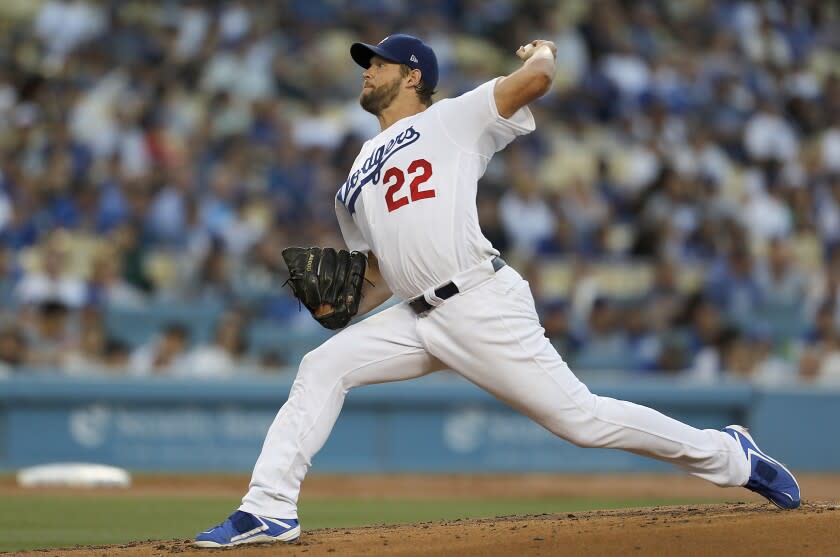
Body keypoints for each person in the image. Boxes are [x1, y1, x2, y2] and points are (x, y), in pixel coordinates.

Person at [195, 34, 800, 548]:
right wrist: (342, 305)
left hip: (478, 301)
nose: (367, 69)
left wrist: (543, 51)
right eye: (365, 63)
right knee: (322, 366)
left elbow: (534, 81)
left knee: (581, 420)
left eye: (377, 62)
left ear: (413, 76)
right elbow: (377, 268)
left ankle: (731, 456)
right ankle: (270, 508)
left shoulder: (452, 118)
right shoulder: (355, 171)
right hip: (415, 313)